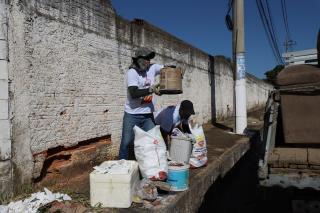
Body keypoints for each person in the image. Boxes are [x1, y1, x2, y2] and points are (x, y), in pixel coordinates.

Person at [118, 47, 164, 160]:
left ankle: (152, 165)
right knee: (127, 143)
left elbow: (166, 69)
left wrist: (177, 70)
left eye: (149, 58)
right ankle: (121, 166)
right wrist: (150, 90)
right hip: (132, 114)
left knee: (154, 139)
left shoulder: (152, 68)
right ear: (138, 59)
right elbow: (133, 93)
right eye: (146, 58)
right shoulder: (132, 72)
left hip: (148, 114)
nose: (149, 61)